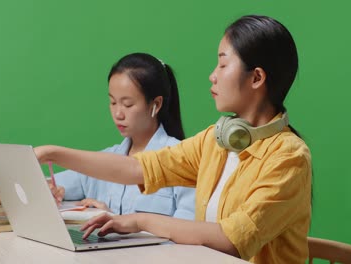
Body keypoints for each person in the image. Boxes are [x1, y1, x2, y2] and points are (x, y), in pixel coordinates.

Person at [35, 15, 311, 263]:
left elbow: (231, 240)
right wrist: (53, 153)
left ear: (257, 78)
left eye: (223, 64)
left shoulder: (289, 158)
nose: (212, 76)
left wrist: (139, 220)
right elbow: (137, 168)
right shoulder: (214, 142)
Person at [50, 53, 195, 220]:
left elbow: (187, 233)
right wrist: (52, 190)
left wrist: (115, 221)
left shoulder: (182, 161)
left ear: (156, 104)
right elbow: (48, 184)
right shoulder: (103, 161)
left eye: (128, 104)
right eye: (113, 102)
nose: (118, 113)